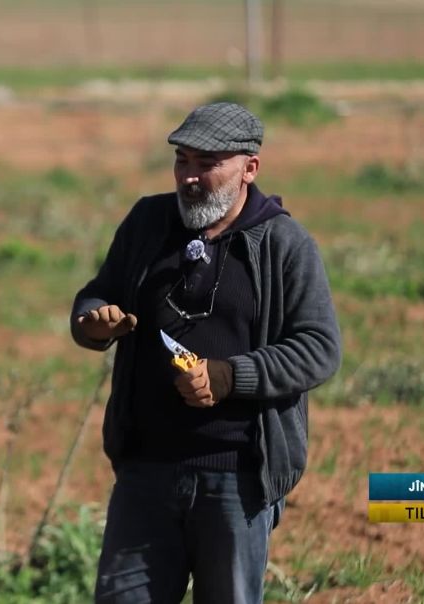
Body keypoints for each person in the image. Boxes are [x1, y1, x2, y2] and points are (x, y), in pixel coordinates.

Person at [70, 102, 341, 603]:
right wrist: (94, 321)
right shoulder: (147, 222)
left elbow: (319, 347)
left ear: (249, 168)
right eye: (183, 161)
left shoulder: (283, 242)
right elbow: (97, 294)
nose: (190, 178)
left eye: (207, 164)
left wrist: (229, 376)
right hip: (145, 474)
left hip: (237, 481)